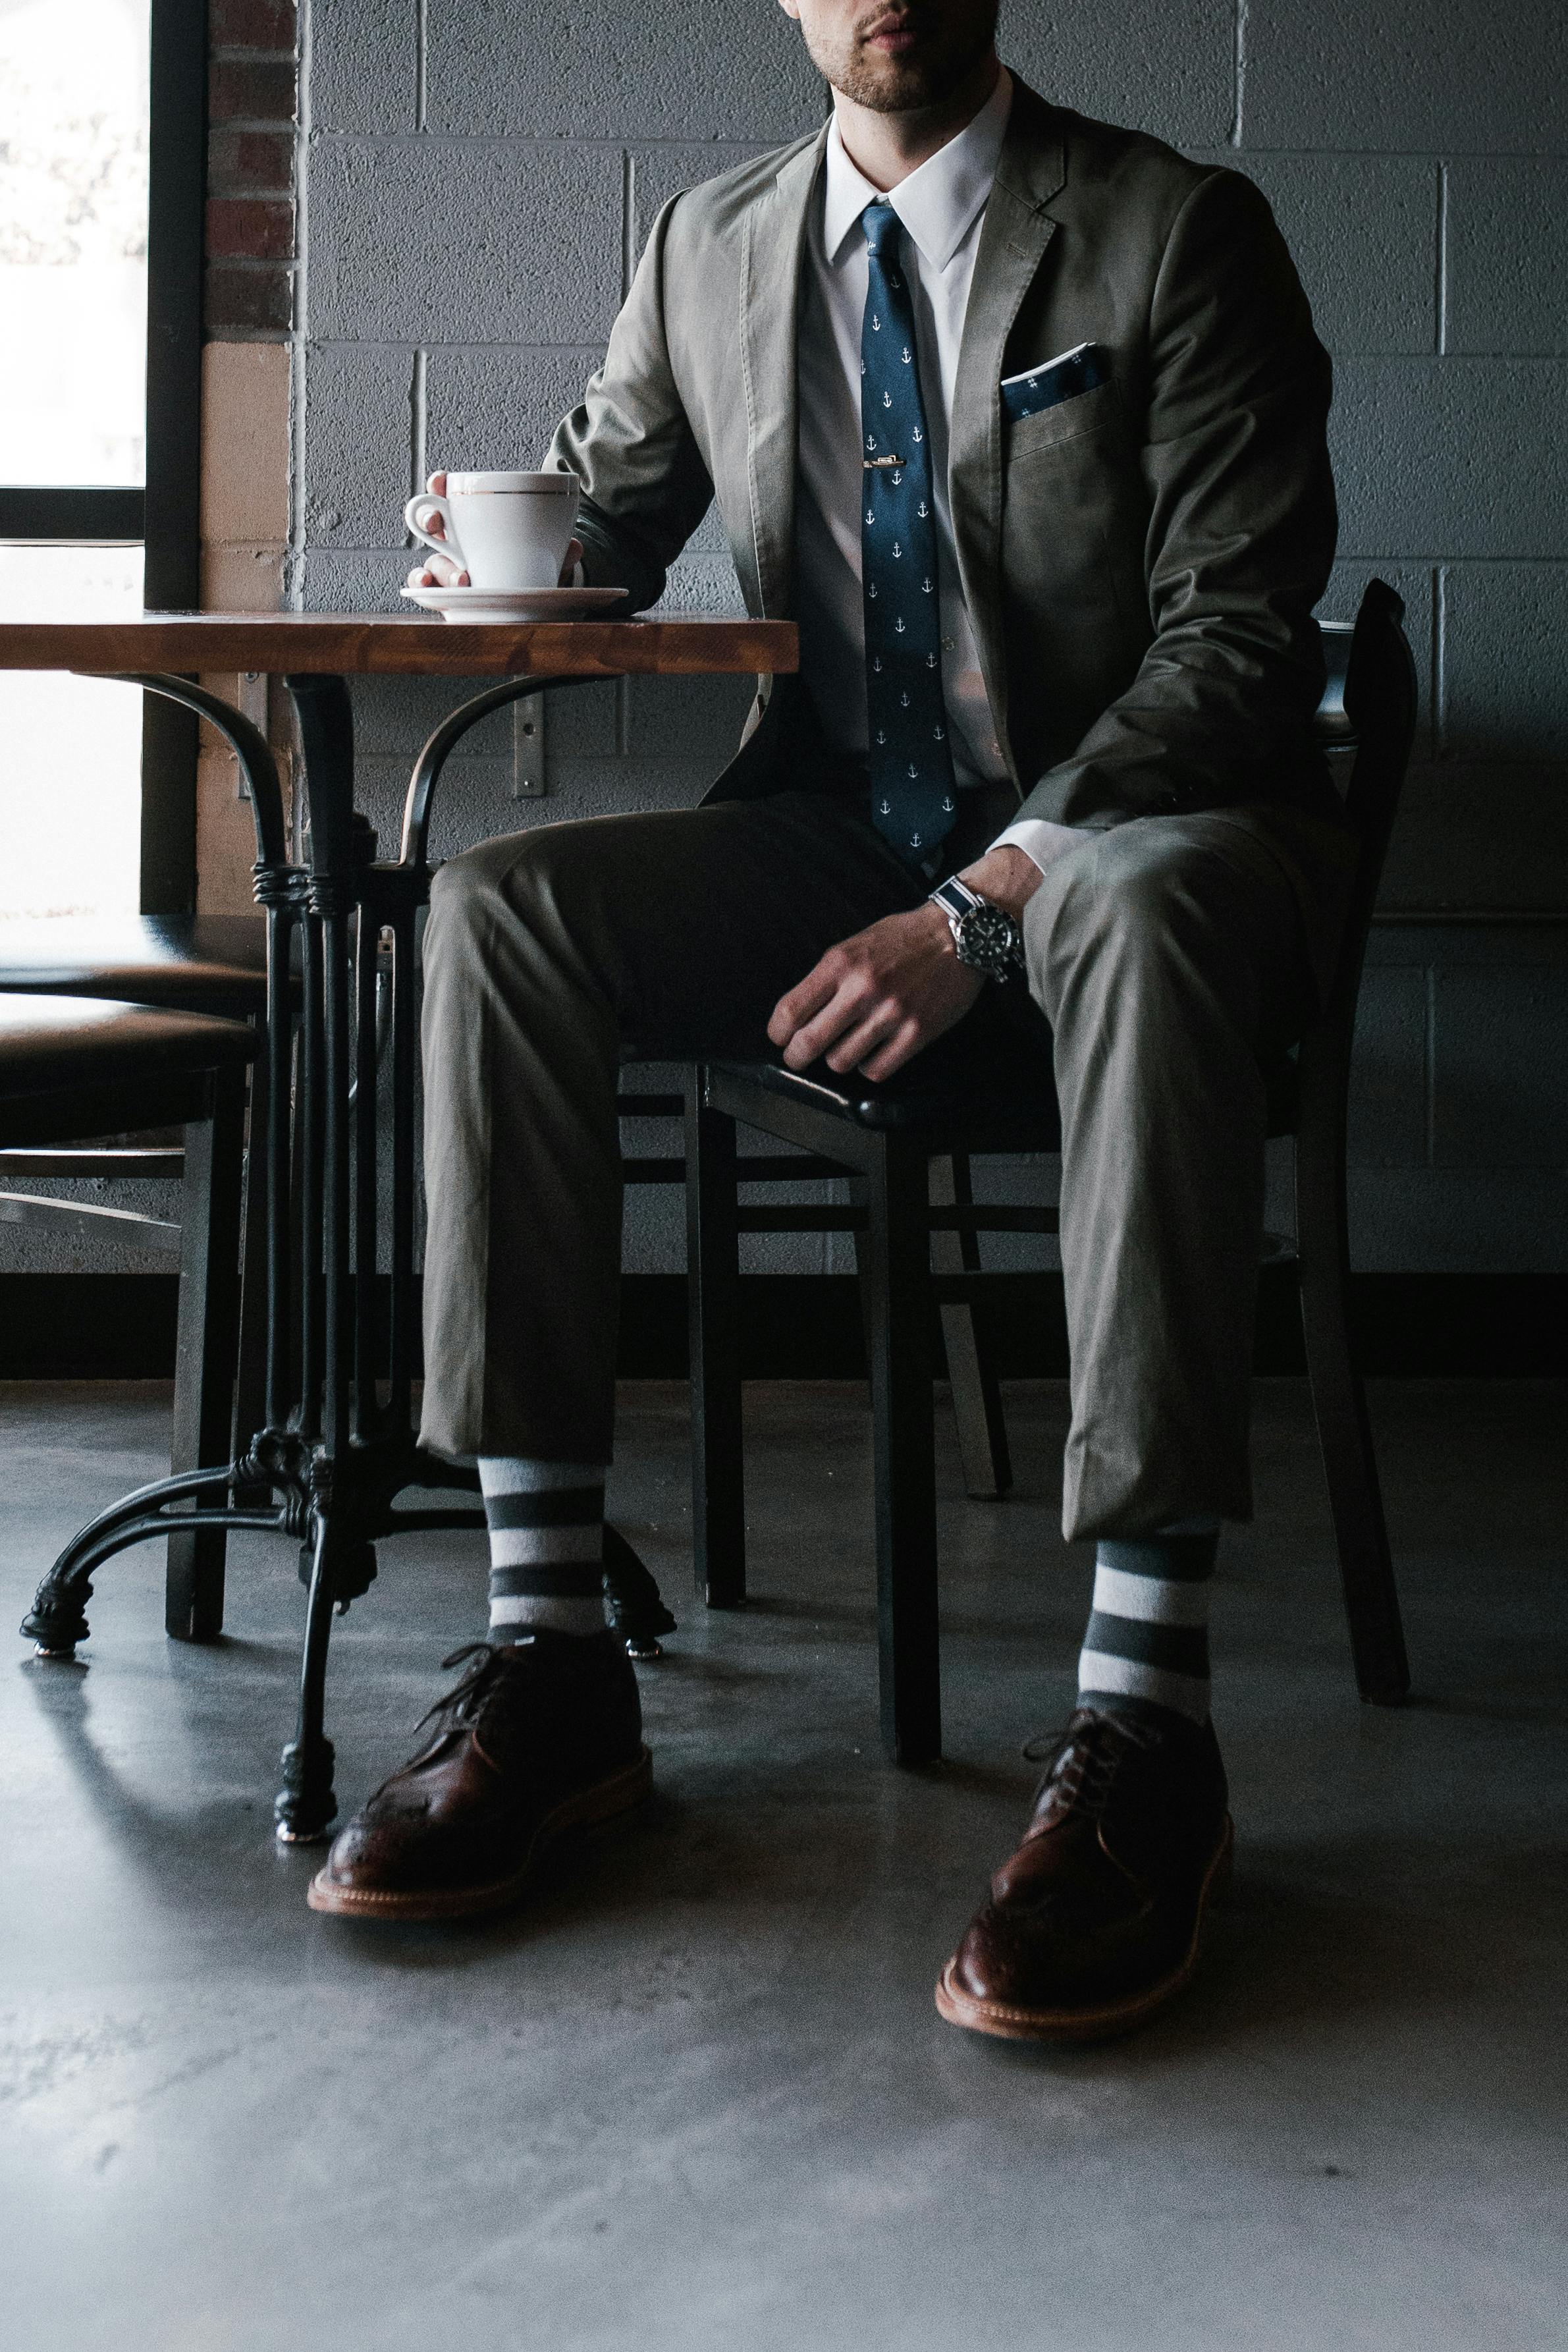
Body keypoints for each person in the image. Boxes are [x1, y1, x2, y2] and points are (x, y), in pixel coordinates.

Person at [310, 0, 1351, 2044]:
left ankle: (1146, 1724)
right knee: (498, 912)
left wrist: (980, 906)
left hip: (1124, 835)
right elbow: (609, 514)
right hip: (826, 827)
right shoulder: (712, 240)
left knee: (1123, 916)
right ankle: (550, 1659)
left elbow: (1242, 630)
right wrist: (498, 555)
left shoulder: (1172, 228)